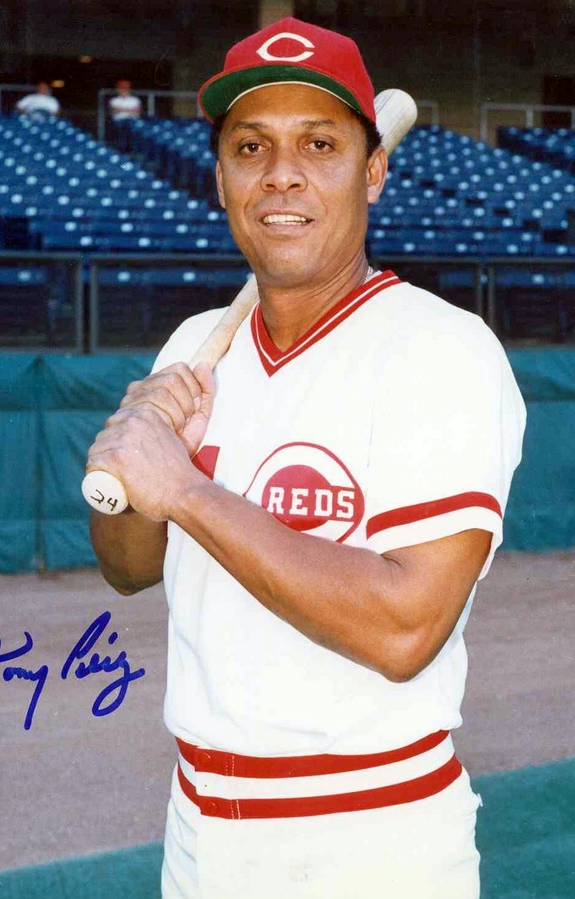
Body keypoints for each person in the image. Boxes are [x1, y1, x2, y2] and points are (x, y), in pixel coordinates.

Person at [86, 16, 526, 899]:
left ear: (373, 171)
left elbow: (404, 629)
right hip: (197, 824)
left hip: (368, 832)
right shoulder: (193, 347)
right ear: (221, 178)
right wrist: (133, 477)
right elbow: (128, 570)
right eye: (250, 147)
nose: (280, 173)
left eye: (319, 144)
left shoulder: (442, 349)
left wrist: (189, 491)